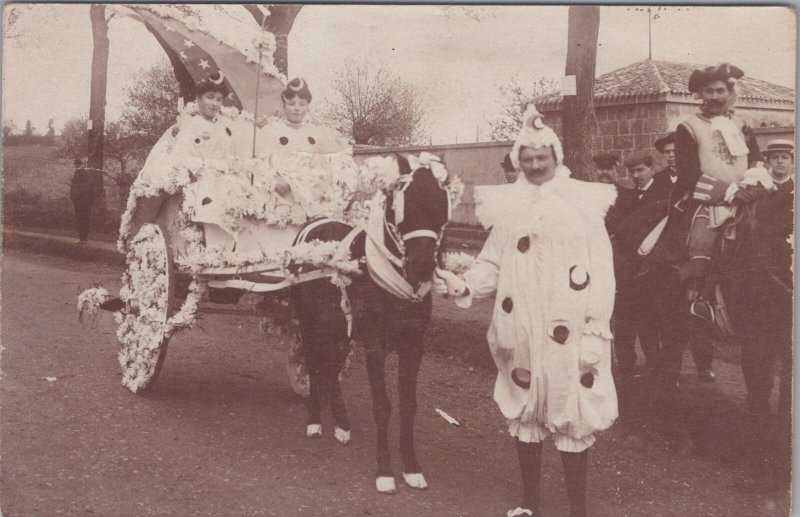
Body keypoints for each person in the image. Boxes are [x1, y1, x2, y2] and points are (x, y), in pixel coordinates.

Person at [435, 105, 617, 517]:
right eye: (527, 159)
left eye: (542, 158)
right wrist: (464, 283)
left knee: (570, 408)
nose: (535, 166)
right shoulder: (509, 211)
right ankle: (530, 501)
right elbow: (491, 263)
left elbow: (602, 272)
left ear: (556, 159)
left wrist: (595, 329)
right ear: (519, 162)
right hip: (520, 326)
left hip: (568, 327)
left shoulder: (583, 208)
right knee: (526, 406)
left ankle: (578, 509)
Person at [672, 63, 764, 287]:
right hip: (709, 202)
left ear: (730, 93)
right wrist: (729, 192)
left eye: (720, 90)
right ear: (700, 94)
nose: (715, 97)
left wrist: (751, 187)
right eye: (709, 91)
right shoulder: (688, 127)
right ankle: (698, 297)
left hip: (748, 196)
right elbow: (688, 175)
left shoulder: (742, 125)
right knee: (701, 246)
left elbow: (756, 160)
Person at [654, 132, 717, 382]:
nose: (672, 156)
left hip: (696, 256)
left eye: (677, 151)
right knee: (670, 319)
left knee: (699, 313)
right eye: (668, 152)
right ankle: (671, 373)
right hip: (668, 261)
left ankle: (704, 364)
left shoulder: (701, 181)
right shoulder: (658, 182)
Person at [611, 151, 670, 379]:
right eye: (632, 172)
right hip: (628, 272)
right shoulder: (627, 198)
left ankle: (656, 367)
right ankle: (625, 367)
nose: (636, 176)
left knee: (650, 322)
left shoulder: (664, 195)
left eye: (640, 170)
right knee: (625, 322)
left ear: (651, 169)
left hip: (653, 271)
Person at [69, 158, 101, 244]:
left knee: (81, 219)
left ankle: (83, 238)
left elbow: (74, 188)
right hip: (84, 202)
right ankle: (83, 238)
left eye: (77, 165)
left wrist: (74, 198)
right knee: (84, 219)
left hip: (81, 202)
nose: (76, 166)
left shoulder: (79, 174)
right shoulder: (87, 175)